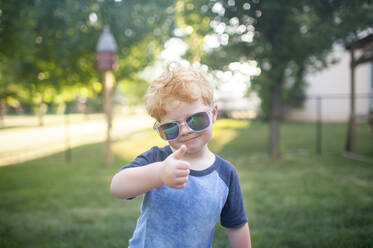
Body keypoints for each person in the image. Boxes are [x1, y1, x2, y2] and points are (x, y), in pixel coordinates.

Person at [110, 62, 251, 248]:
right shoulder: (158, 159)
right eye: (171, 127)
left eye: (196, 119)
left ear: (213, 114)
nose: (185, 131)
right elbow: (118, 187)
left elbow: (237, 226)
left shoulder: (225, 174)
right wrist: (159, 174)